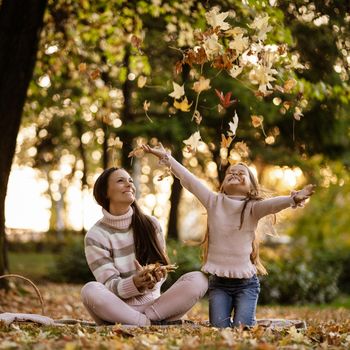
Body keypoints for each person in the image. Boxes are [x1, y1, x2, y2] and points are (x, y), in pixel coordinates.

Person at [142, 143, 315, 328]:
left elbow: (273, 204)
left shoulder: (252, 208)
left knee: (243, 329)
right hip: (219, 285)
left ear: (251, 188)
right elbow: (189, 180)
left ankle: (255, 322)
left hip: (246, 285)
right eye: (231, 172)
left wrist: (293, 199)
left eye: (241, 174)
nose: (234, 174)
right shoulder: (213, 201)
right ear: (223, 184)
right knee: (219, 329)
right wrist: (167, 157)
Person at [81, 167, 208, 326]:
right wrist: (135, 283)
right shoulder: (96, 236)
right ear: (105, 192)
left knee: (199, 279)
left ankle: (144, 321)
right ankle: (147, 323)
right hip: (118, 308)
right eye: (121, 181)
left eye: (130, 181)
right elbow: (109, 286)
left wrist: (154, 277)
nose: (129, 184)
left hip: (156, 307)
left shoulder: (151, 224)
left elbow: (163, 268)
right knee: (90, 290)